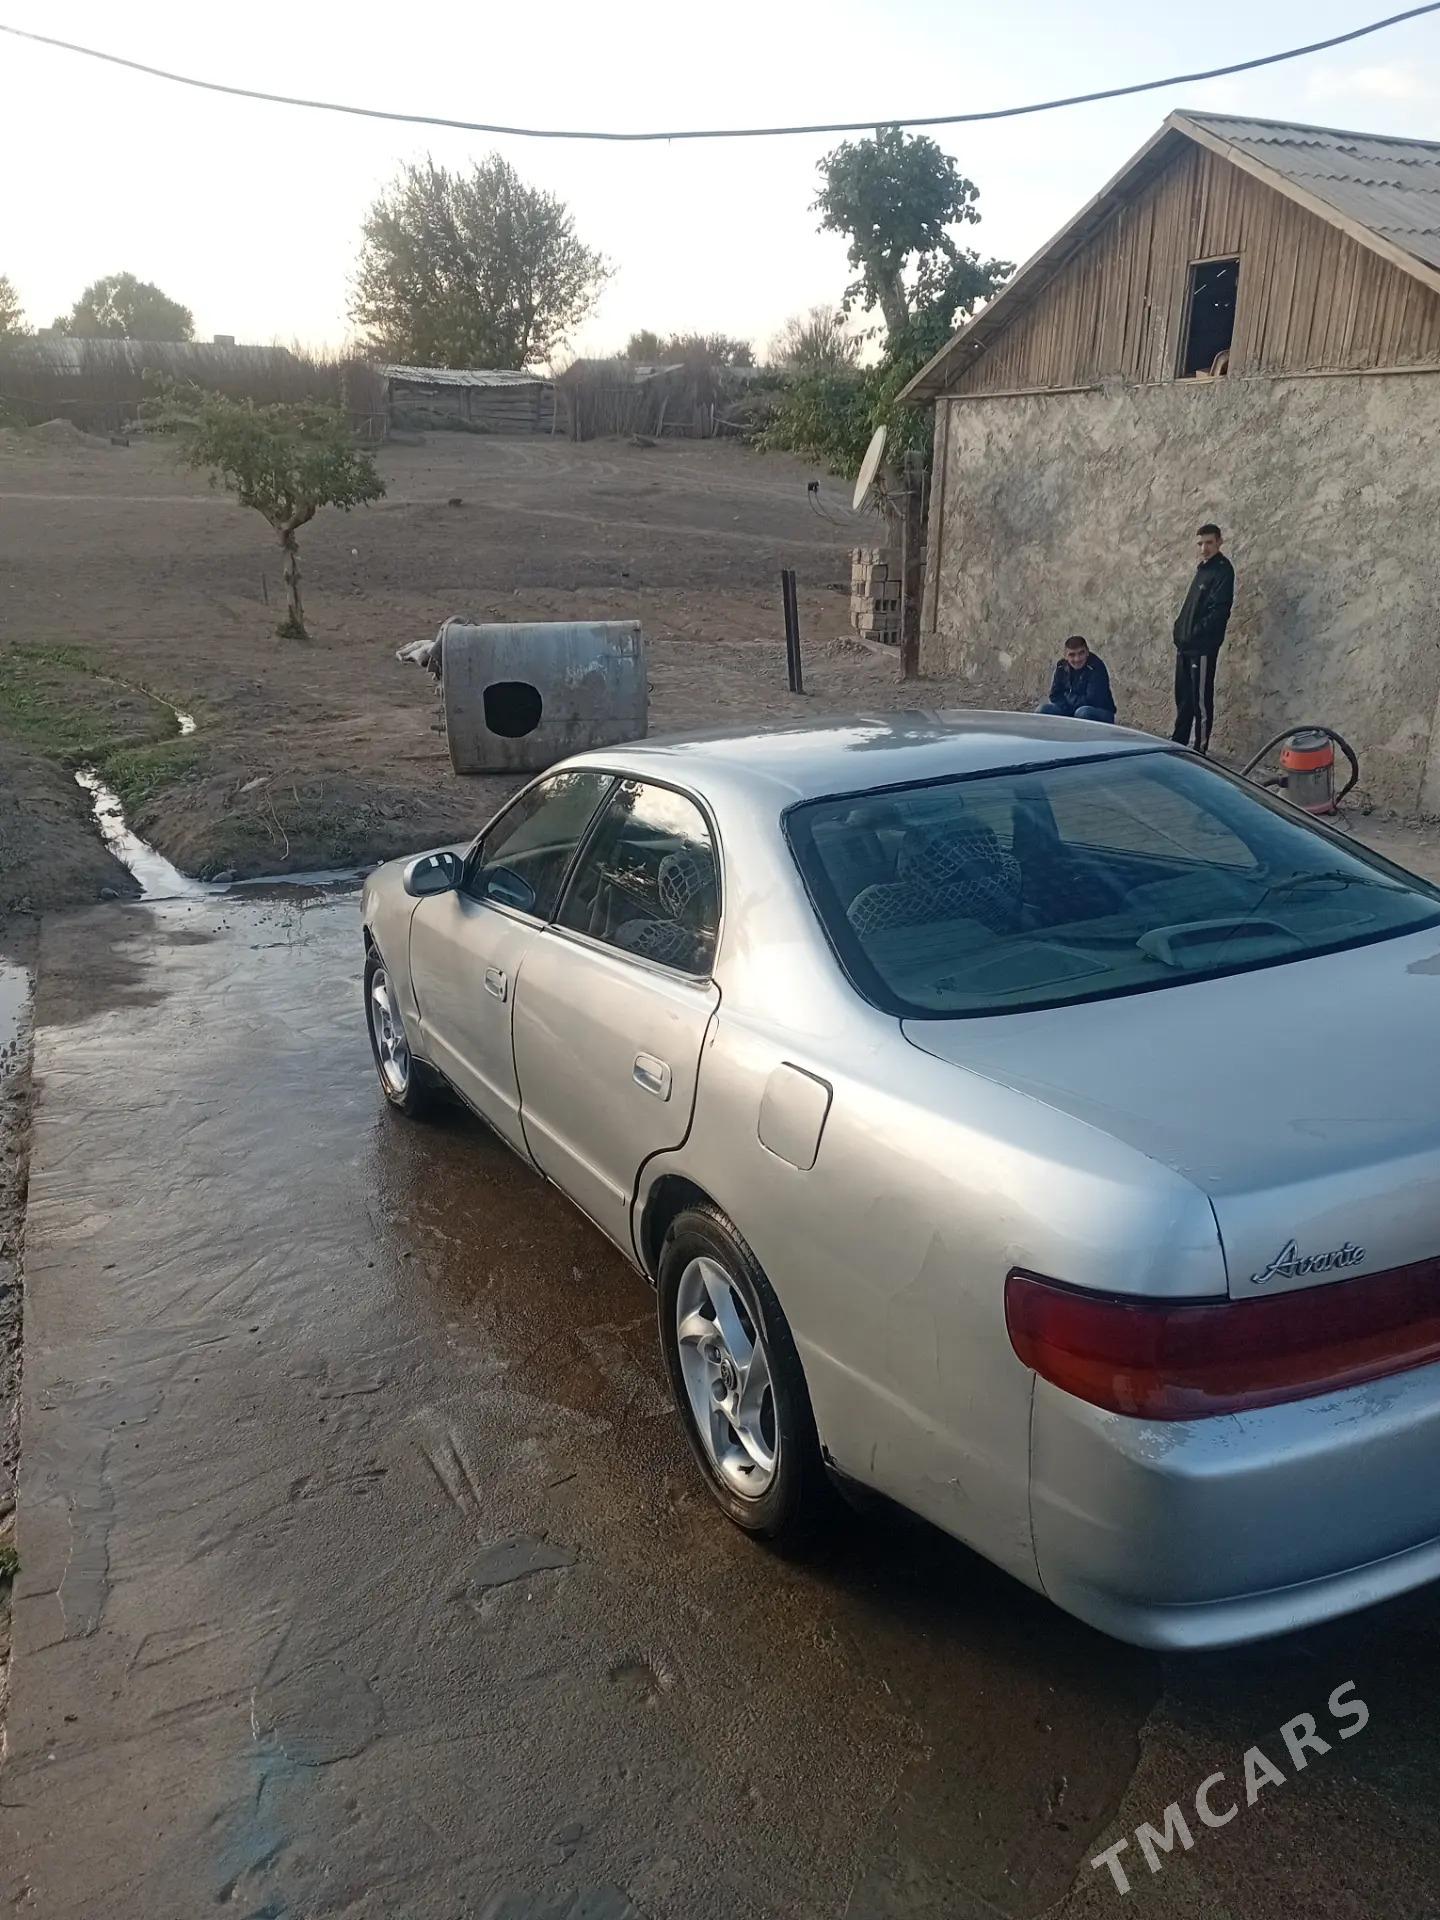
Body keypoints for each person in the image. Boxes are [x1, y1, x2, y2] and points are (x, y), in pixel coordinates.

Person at [1172, 523, 1235, 752]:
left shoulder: (1223, 571)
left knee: (1200, 702)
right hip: (1185, 647)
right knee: (1184, 699)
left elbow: (1219, 612)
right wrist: (1179, 630)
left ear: (1219, 542)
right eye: (1200, 543)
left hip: (1202, 648)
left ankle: (1200, 750)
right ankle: (1178, 744)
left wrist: (1195, 633)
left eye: (1208, 542)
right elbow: (1190, 609)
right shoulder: (1203, 569)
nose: (1204, 548)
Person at [1038, 636, 1116, 723]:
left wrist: (1068, 696)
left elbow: (1093, 700)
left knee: (1082, 713)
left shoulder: (1096, 667)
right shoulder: (1061, 666)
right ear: (1065, 656)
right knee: (1043, 709)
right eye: (1072, 655)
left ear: (1087, 652)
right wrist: (1066, 706)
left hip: (1099, 712)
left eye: (1081, 653)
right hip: (1069, 709)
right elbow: (1054, 695)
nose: (1077, 659)